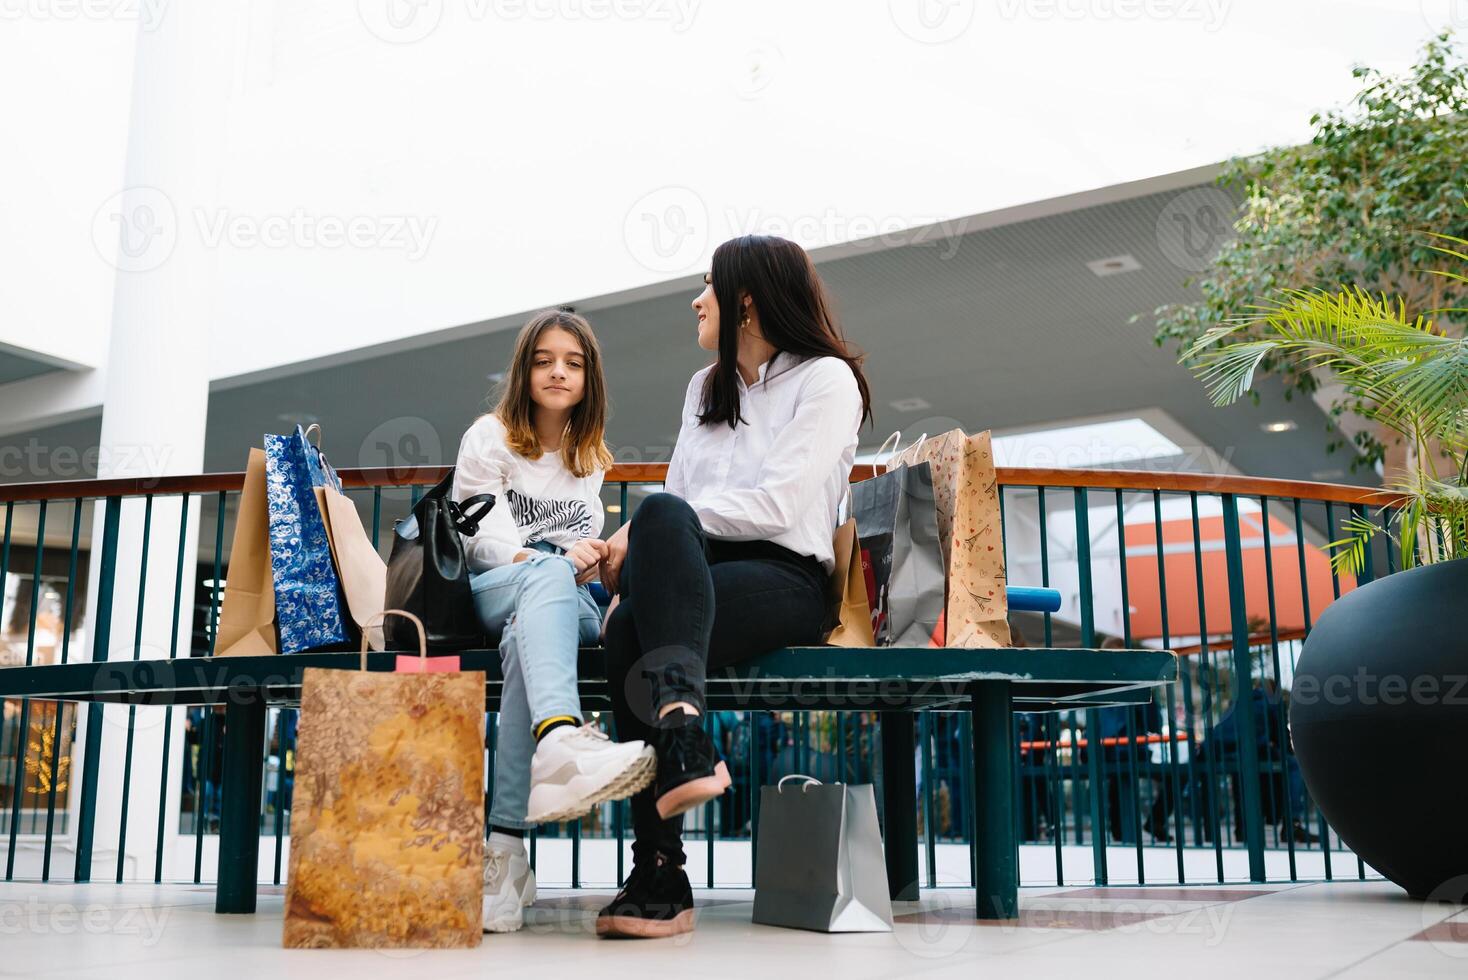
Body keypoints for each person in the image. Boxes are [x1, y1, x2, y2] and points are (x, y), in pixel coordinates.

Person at [594, 235, 872, 938]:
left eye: (708, 287)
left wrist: (645, 533)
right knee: (629, 615)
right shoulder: (704, 389)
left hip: (785, 578)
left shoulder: (825, 379)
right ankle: (683, 735)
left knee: (654, 523)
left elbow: (778, 508)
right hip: (694, 576)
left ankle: (661, 870)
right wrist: (641, 566)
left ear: (745, 301)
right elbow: (679, 510)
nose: (696, 301)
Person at [455, 309, 657, 933]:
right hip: (499, 584)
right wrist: (550, 560)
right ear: (524, 370)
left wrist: (596, 560)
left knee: (528, 636)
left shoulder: (590, 455)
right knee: (541, 577)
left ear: (589, 376)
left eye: (572, 362)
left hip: (566, 602)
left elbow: (580, 554)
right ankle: (561, 736)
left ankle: (507, 853)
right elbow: (477, 541)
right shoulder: (489, 437)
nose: (557, 372)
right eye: (544, 360)